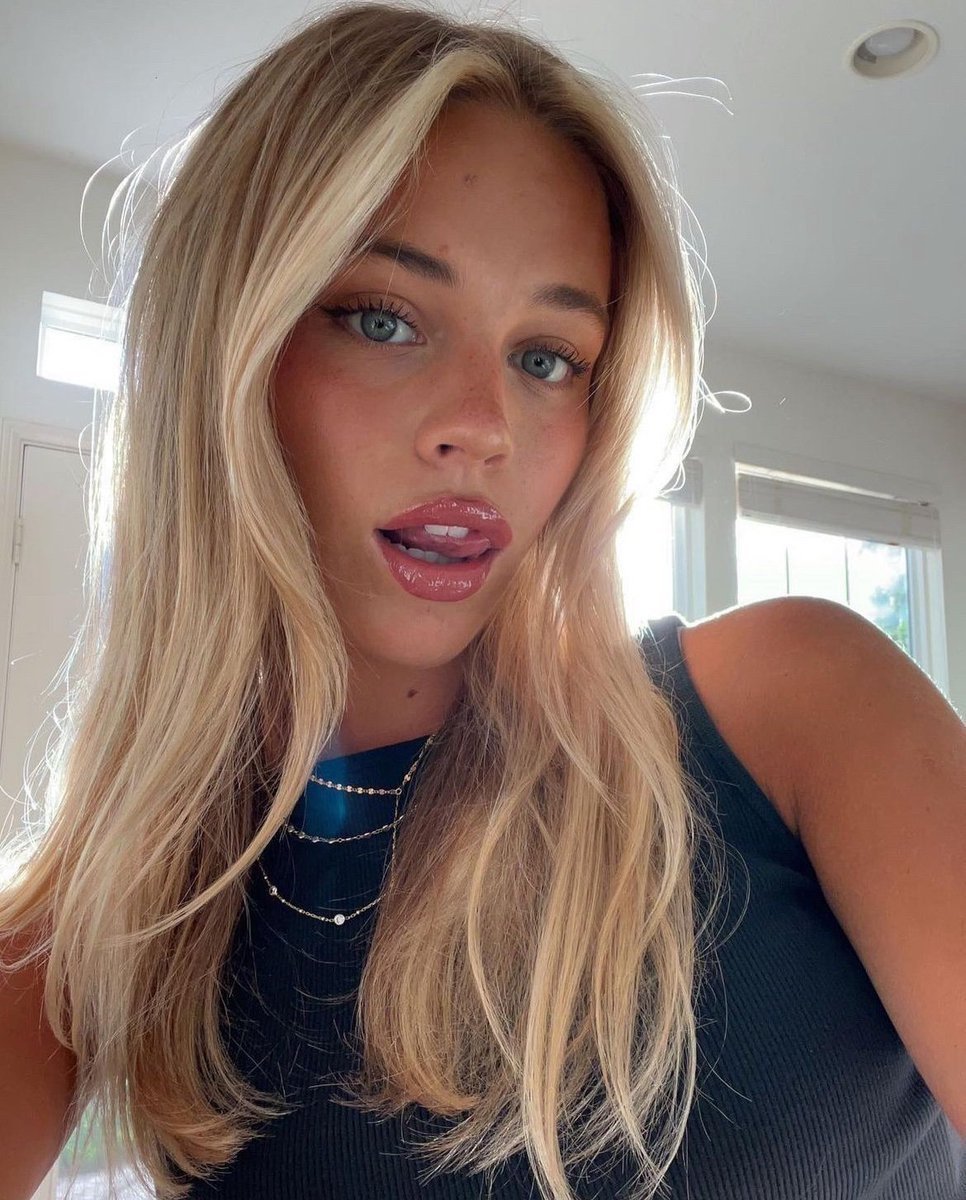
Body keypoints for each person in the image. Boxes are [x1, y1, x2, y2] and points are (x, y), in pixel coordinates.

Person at [1, 3, 964, 1199]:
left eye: (546, 356)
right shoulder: (117, 908)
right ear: (226, 353)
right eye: (383, 319)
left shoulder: (795, 709)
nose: (484, 426)